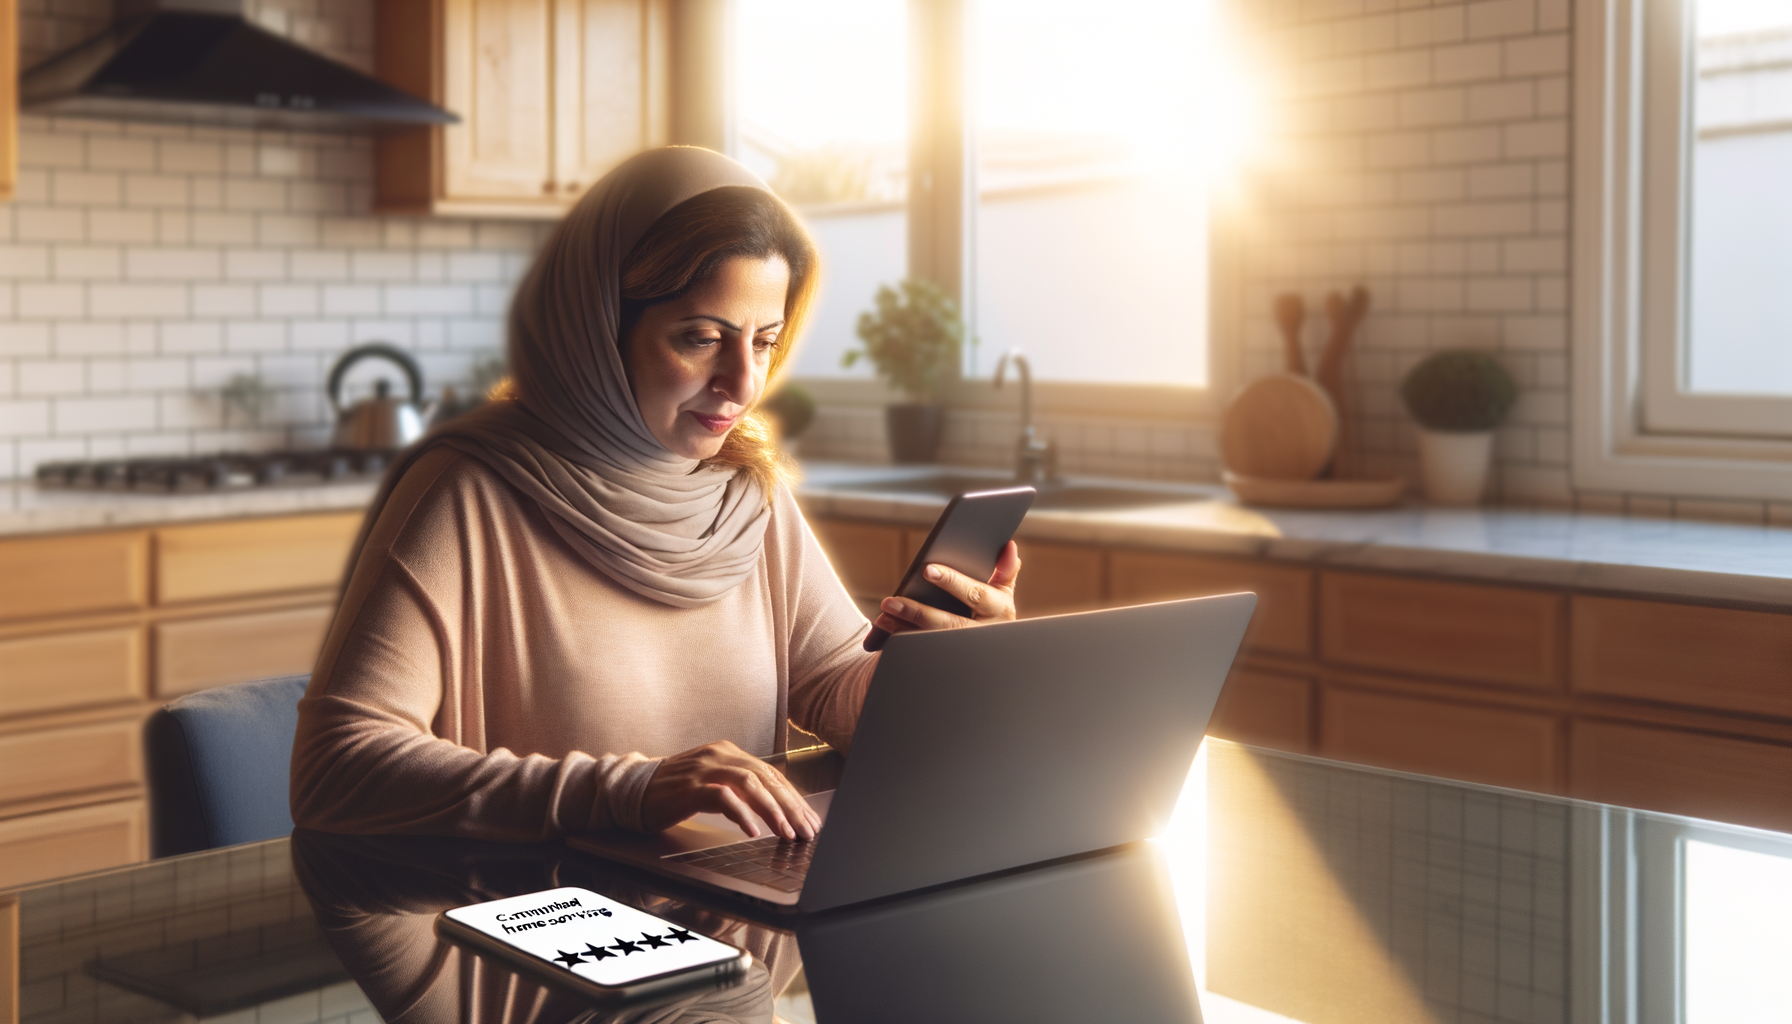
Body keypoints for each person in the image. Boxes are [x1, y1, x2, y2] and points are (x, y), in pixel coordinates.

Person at [290, 147, 1022, 847]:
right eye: (702, 338)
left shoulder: (746, 494)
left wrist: (948, 669)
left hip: (733, 928)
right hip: (553, 930)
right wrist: (629, 792)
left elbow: (837, 690)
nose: (743, 384)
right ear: (601, 329)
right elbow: (337, 769)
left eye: (763, 341)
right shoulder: (467, 492)